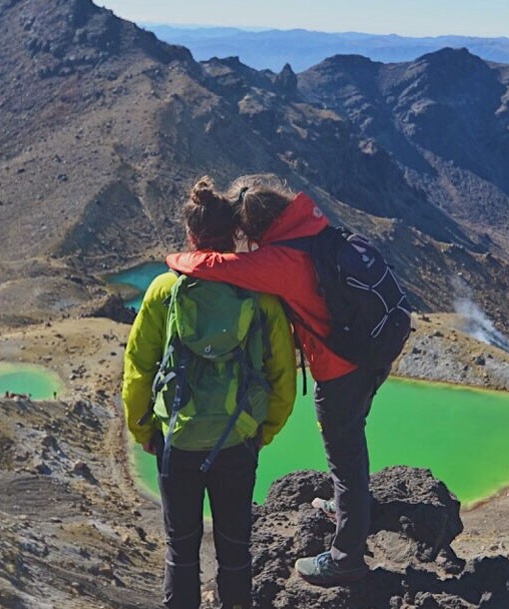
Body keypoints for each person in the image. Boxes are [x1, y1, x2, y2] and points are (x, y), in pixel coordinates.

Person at [166, 174, 390, 587]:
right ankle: (355, 508)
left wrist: (172, 261)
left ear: (249, 228)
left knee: (343, 456)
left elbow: (211, 266)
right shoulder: (312, 226)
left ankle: (347, 558)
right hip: (372, 351)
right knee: (352, 442)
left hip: (341, 368)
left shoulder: (278, 262)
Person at [122, 178, 296, 609]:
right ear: (235, 233)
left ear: (191, 235)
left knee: (181, 552)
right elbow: (282, 375)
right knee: (235, 551)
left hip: (177, 440)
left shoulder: (164, 290)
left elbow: (139, 367)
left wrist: (143, 428)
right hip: (237, 441)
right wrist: (261, 430)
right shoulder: (260, 296)